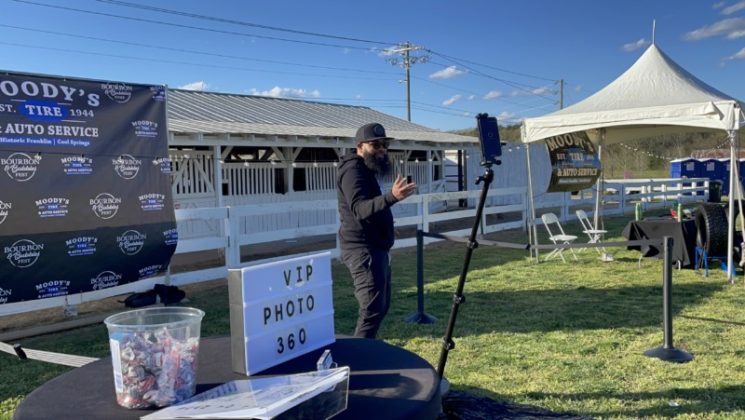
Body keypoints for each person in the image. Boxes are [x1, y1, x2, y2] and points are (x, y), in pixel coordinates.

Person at [336, 122, 417, 339]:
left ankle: (366, 350)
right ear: (360, 147)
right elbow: (360, 209)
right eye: (376, 145)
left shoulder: (365, 170)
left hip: (375, 247)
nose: (382, 150)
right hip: (363, 251)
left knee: (381, 306)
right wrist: (392, 197)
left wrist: (384, 228)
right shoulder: (353, 171)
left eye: (384, 145)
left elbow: (370, 208)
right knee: (372, 309)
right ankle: (358, 360)